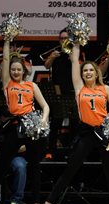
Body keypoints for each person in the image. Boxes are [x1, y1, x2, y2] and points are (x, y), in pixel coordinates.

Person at [32, 42, 109, 204]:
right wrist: (76, 42)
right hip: (86, 132)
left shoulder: (106, 89)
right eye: (85, 71)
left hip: (103, 131)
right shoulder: (79, 89)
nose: (88, 72)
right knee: (71, 168)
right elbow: (75, 61)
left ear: (97, 72)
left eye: (91, 70)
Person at [0, 38, 49, 204]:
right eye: (13, 70)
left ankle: (37, 203)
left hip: (30, 126)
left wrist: (42, 121)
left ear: (24, 71)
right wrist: (7, 41)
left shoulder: (31, 85)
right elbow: (6, 59)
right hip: (13, 125)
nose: (16, 72)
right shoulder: (8, 84)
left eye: (19, 69)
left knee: (34, 165)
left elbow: (45, 106)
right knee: (2, 163)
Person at [43, 28, 83, 159]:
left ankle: (73, 151)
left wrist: (73, 55)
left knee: (75, 123)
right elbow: (46, 66)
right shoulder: (56, 53)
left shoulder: (76, 52)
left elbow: (81, 67)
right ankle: (51, 151)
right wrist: (52, 58)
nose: (63, 40)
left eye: (66, 38)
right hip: (58, 92)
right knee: (55, 122)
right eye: (61, 38)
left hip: (72, 92)